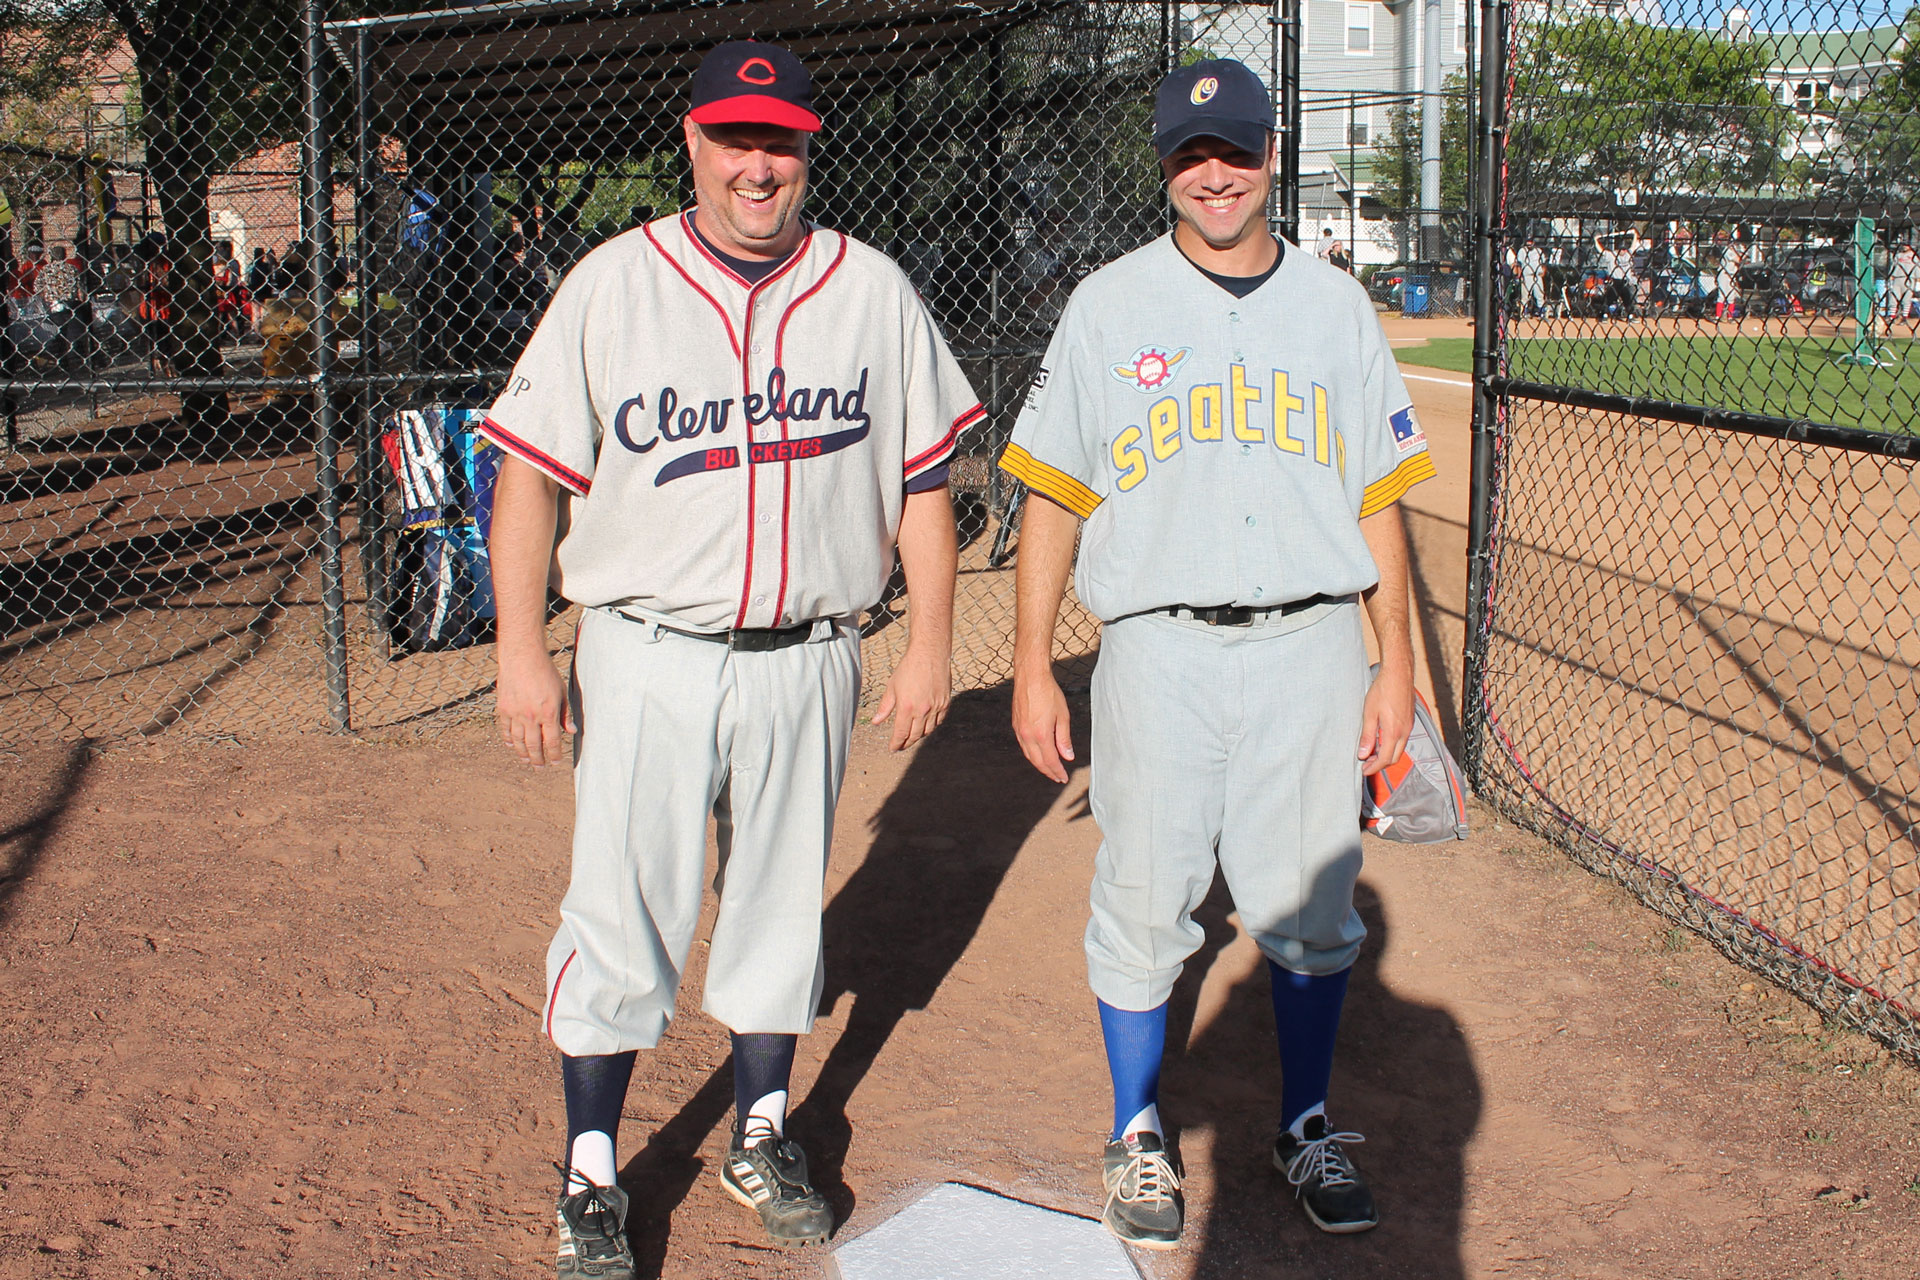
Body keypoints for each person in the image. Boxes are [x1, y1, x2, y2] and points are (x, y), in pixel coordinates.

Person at [481, 40, 980, 1277]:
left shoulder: (870, 288)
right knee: (622, 909)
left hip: (808, 653)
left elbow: (925, 482)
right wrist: (519, 652)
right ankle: (593, 1169)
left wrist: (927, 644)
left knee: (777, 911)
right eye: (734, 137)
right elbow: (529, 480)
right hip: (645, 648)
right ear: (692, 142)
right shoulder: (611, 283)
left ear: (808, 150)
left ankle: (763, 1130)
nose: (758, 164)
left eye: (781, 141)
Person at [1001, 57, 1432, 1250]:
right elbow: (1051, 492)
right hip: (1159, 648)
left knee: (1313, 904)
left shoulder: (1336, 308)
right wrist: (1034, 660)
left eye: (1234, 151)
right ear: (1165, 169)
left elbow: (1380, 497)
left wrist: (1394, 667)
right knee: (1145, 893)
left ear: (1273, 155)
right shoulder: (1108, 304)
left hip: (1310, 644)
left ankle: (1304, 1121)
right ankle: (1137, 1127)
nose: (1215, 175)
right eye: (1191, 156)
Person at [1886, 242, 1918, 327]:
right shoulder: (1898, 255)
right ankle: (1892, 317)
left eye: (1907, 245)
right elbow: (1893, 267)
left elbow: (1917, 268)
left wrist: (1918, 281)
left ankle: (1904, 318)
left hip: (1909, 279)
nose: (1904, 247)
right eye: (1904, 245)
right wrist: (1890, 278)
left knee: (1906, 300)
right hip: (1897, 278)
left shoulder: (1914, 256)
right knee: (1893, 298)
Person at [1714, 232, 1742, 321]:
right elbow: (1738, 259)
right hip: (1724, 274)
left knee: (1731, 296)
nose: (1733, 244)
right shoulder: (1728, 250)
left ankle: (1730, 317)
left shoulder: (1733, 250)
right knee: (1721, 295)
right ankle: (1718, 316)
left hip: (1732, 275)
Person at [1518, 236, 1547, 317]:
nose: (1529, 244)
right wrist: (1519, 275)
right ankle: (1524, 312)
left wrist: (1543, 271)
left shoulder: (1538, 251)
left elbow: (1543, 263)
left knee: (1540, 294)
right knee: (1525, 295)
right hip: (1527, 276)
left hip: (1537, 276)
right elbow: (1519, 264)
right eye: (1528, 242)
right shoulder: (1522, 251)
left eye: (1531, 242)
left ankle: (1541, 312)